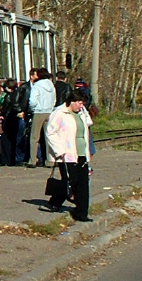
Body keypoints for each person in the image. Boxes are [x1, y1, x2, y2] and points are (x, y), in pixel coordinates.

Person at [45, 88, 95, 221]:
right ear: (71, 101)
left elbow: (88, 123)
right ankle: (55, 201)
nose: (81, 105)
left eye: (83, 103)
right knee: (71, 181)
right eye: (79, 103)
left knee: (83, 183)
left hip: (81, 152)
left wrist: (83, 112)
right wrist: (59, 150)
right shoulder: (59, 113)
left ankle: (82, 213)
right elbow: (50, 132)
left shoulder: (81, 112)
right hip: (66, 153)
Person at [27, 68, 57, 167]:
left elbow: (32, 101)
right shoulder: (51, 85)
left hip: (39, 112)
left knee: (34, 137)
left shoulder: (37, 86)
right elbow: (54, 99)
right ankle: (50, 160)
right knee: (48, 136)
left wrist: (33, 108)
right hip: (49, 111)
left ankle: (33, 160)